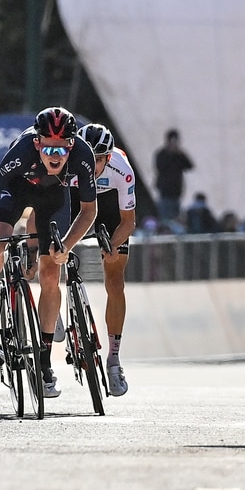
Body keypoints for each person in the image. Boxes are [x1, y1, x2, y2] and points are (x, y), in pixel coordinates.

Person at [0, 106, 97, 398]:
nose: (55, 156)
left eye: (62, 150)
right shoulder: (22, 151)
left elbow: (89, 211)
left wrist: (67, 246)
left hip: (53, 199)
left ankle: (44, 362)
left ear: (72, 145)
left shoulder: (83, 156)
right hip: (15, 190)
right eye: (49, 148)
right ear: (37, 143)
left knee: (51, 273)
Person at [74, 123, 136, 397]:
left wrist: (113, 246)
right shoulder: (69, 163)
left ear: (108, 158)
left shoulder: (122, 169)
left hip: (110, 210)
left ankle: (113, 358)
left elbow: (128, 222)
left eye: (98, 160)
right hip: (78, 205)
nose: (93, 165)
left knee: (115, 281)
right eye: (88, 158)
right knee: (51, 257)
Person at [153, 128, 194, 225]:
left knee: (175, 219)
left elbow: (189, 166)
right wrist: (170, 155)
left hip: (176, 191)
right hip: (165, 191)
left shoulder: (179, 155)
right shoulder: (162, 154)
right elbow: (160, 167)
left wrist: (180, 154)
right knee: (165, 219)